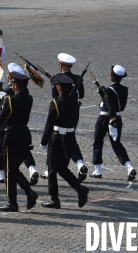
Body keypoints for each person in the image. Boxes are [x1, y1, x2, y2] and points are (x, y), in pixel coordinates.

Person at [0, 71, 39, 212]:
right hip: (24, 136)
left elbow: (1, 118)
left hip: (11, 136)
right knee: (13, 169)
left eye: (13, 83)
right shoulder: (29, 98)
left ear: (15, 85)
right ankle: (30, 193)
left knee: (9, 171)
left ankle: (12, 202)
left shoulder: (10, 100)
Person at [40, 73, 90, 209]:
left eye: (57, 85)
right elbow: (75, 122)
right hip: (69, 138)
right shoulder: (75, 103)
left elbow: (49, 124)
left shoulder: (55, 103)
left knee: (51, 169)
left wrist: (44, 141)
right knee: (62, 168)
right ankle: (80, 189)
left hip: (57, 139)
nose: (56, 87)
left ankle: (54, 199)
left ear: (60, 87)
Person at [41, 53, 88, 181]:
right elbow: (82, 95)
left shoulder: (57, 78)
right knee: (70, 137)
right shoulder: (78, 78)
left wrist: (53, 84)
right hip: (74, 112)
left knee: (52, 138)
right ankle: (80, 164)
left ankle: (49, 168)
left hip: (60, 111)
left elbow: (55, 98)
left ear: (60, 65)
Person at [91, 65, 136, 181]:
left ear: (112, 77)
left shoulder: (108, 90)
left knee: (97, 143)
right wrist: (104, 95)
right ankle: (129, 167)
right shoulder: (124, 89)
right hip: (118, 118)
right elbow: (119, 106)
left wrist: (111, 121)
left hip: (105, 119)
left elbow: (109, 107)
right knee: (117, 144)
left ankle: (98, 170)